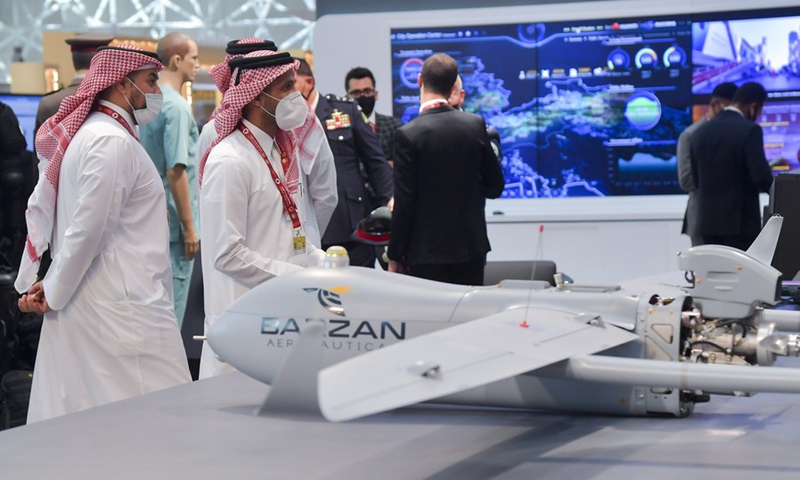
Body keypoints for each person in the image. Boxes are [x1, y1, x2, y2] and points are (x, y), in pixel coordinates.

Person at [15, 45, 191, 423]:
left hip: (99, 296)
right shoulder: (109, 140)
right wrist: (55, 288)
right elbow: (89, 228)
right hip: (121, 302)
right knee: (154, 417)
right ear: (123, 85)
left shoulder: (97, 134)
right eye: (150, 80)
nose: (156, 90)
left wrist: (53, 283)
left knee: (91, 415)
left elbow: (84, 226)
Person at [198, 49, 332, 378]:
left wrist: (322, 262)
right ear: (256, 98)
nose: (296, 96)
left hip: (283, 313)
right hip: (247, 318)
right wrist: (294, 278)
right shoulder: (229, 160)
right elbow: (227, 254)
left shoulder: (278, 149)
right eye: (286, 88)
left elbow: (286, 229)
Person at [199, 39, 337, 249]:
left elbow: (325, 194)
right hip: (251, 263)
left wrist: (303, 241)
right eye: (286, 87)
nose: (294, 97)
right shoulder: (219, 142)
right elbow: (224, 234)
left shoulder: (297, 126)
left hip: (298, 252)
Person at [387, 53, 505, 285]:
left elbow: (405, 203)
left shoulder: (408, 135)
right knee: (469, 319)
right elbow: (495, 187)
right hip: (470, 249)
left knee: (430, 320)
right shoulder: (475, 125)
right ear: (453, 87)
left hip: (424, 254)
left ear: (420, 80)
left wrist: (394, 254)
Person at [295, 59, 393, 267]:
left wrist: (389, 202)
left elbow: (375, 162)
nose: (287, 91)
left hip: (349, 219)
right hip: (306, 222)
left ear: (309, 82)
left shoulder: (344, 111)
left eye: (291, 83)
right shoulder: (287, 119)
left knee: (357, 291)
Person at [140, 32, 200, 329]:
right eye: (194, 58)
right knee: (171, 317)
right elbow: (176, 170)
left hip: (153, 219)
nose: (198, 65)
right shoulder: (176, 107)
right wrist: (190, 228)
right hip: (176, 227)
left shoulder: (149, 103)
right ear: (177, 60)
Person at [691, 82, 773, 251]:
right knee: (742, 276)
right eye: (759, 111)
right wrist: (781, 194)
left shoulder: (700, 132)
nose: (757, 115)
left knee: (712, 275)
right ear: (753, 106)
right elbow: (761, 178)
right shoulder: (750, 130)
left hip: (706, 224)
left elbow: (695, 179)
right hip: (740, 226)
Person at [676, 82, 737, 246]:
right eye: (729, 108)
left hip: (729, 221)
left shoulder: (732, 134)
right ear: (715, 105)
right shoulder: (690, 135)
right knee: (705, 270)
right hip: (702, 220)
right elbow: (686, 181)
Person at [34, 33, 114, 141]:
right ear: (103, 61)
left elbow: (40, 154)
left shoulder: (49, 103)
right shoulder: (112, 98)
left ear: (74, 61)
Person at [344, 66, 402, 167]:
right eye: (356, 93)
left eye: (367, 91)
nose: (362, 96)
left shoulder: (394, 126)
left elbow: (401, 165)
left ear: (375, 95)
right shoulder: (342, 130)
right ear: (347, 97)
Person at [448, 74, 502, 161]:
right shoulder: (422, 133)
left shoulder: (486, 135)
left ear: (461, 95)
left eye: (450, 91)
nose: (445, 98)